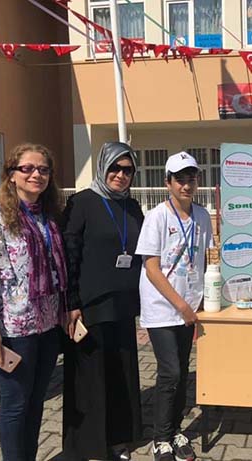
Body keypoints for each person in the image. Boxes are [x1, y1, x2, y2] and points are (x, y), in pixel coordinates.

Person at [0, 143, 67, 461]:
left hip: (48, 325)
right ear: (11, 174)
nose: (36, 174)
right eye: (27, 168)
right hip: (15, 329)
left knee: (36, 401)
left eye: (43, 169)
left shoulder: (48, 216)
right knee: (14, 404)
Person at [62, 142, 143, 461]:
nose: (121, 175)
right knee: (90, 378)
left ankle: (119, 438)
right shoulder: (81, 202)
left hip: (124, 304)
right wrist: (71, 302)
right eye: (115, 168)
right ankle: (91, 446)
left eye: (128, 170)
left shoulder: (132, 207)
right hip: (90, 305)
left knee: (122, 372)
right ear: (102, 167)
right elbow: (69, 255)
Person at [136, 152, 214, 461]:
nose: (186, 185)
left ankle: (176, 429)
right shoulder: (157, 216)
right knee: (169, 373)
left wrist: (205, 299)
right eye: (179, 179)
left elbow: (205, 258)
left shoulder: (202, 216)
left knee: (181, 372)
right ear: (167, 182)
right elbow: (152, 268)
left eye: (191, 178)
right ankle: (160, 438)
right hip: (163, 308)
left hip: (190, 307)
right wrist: (182, 306)